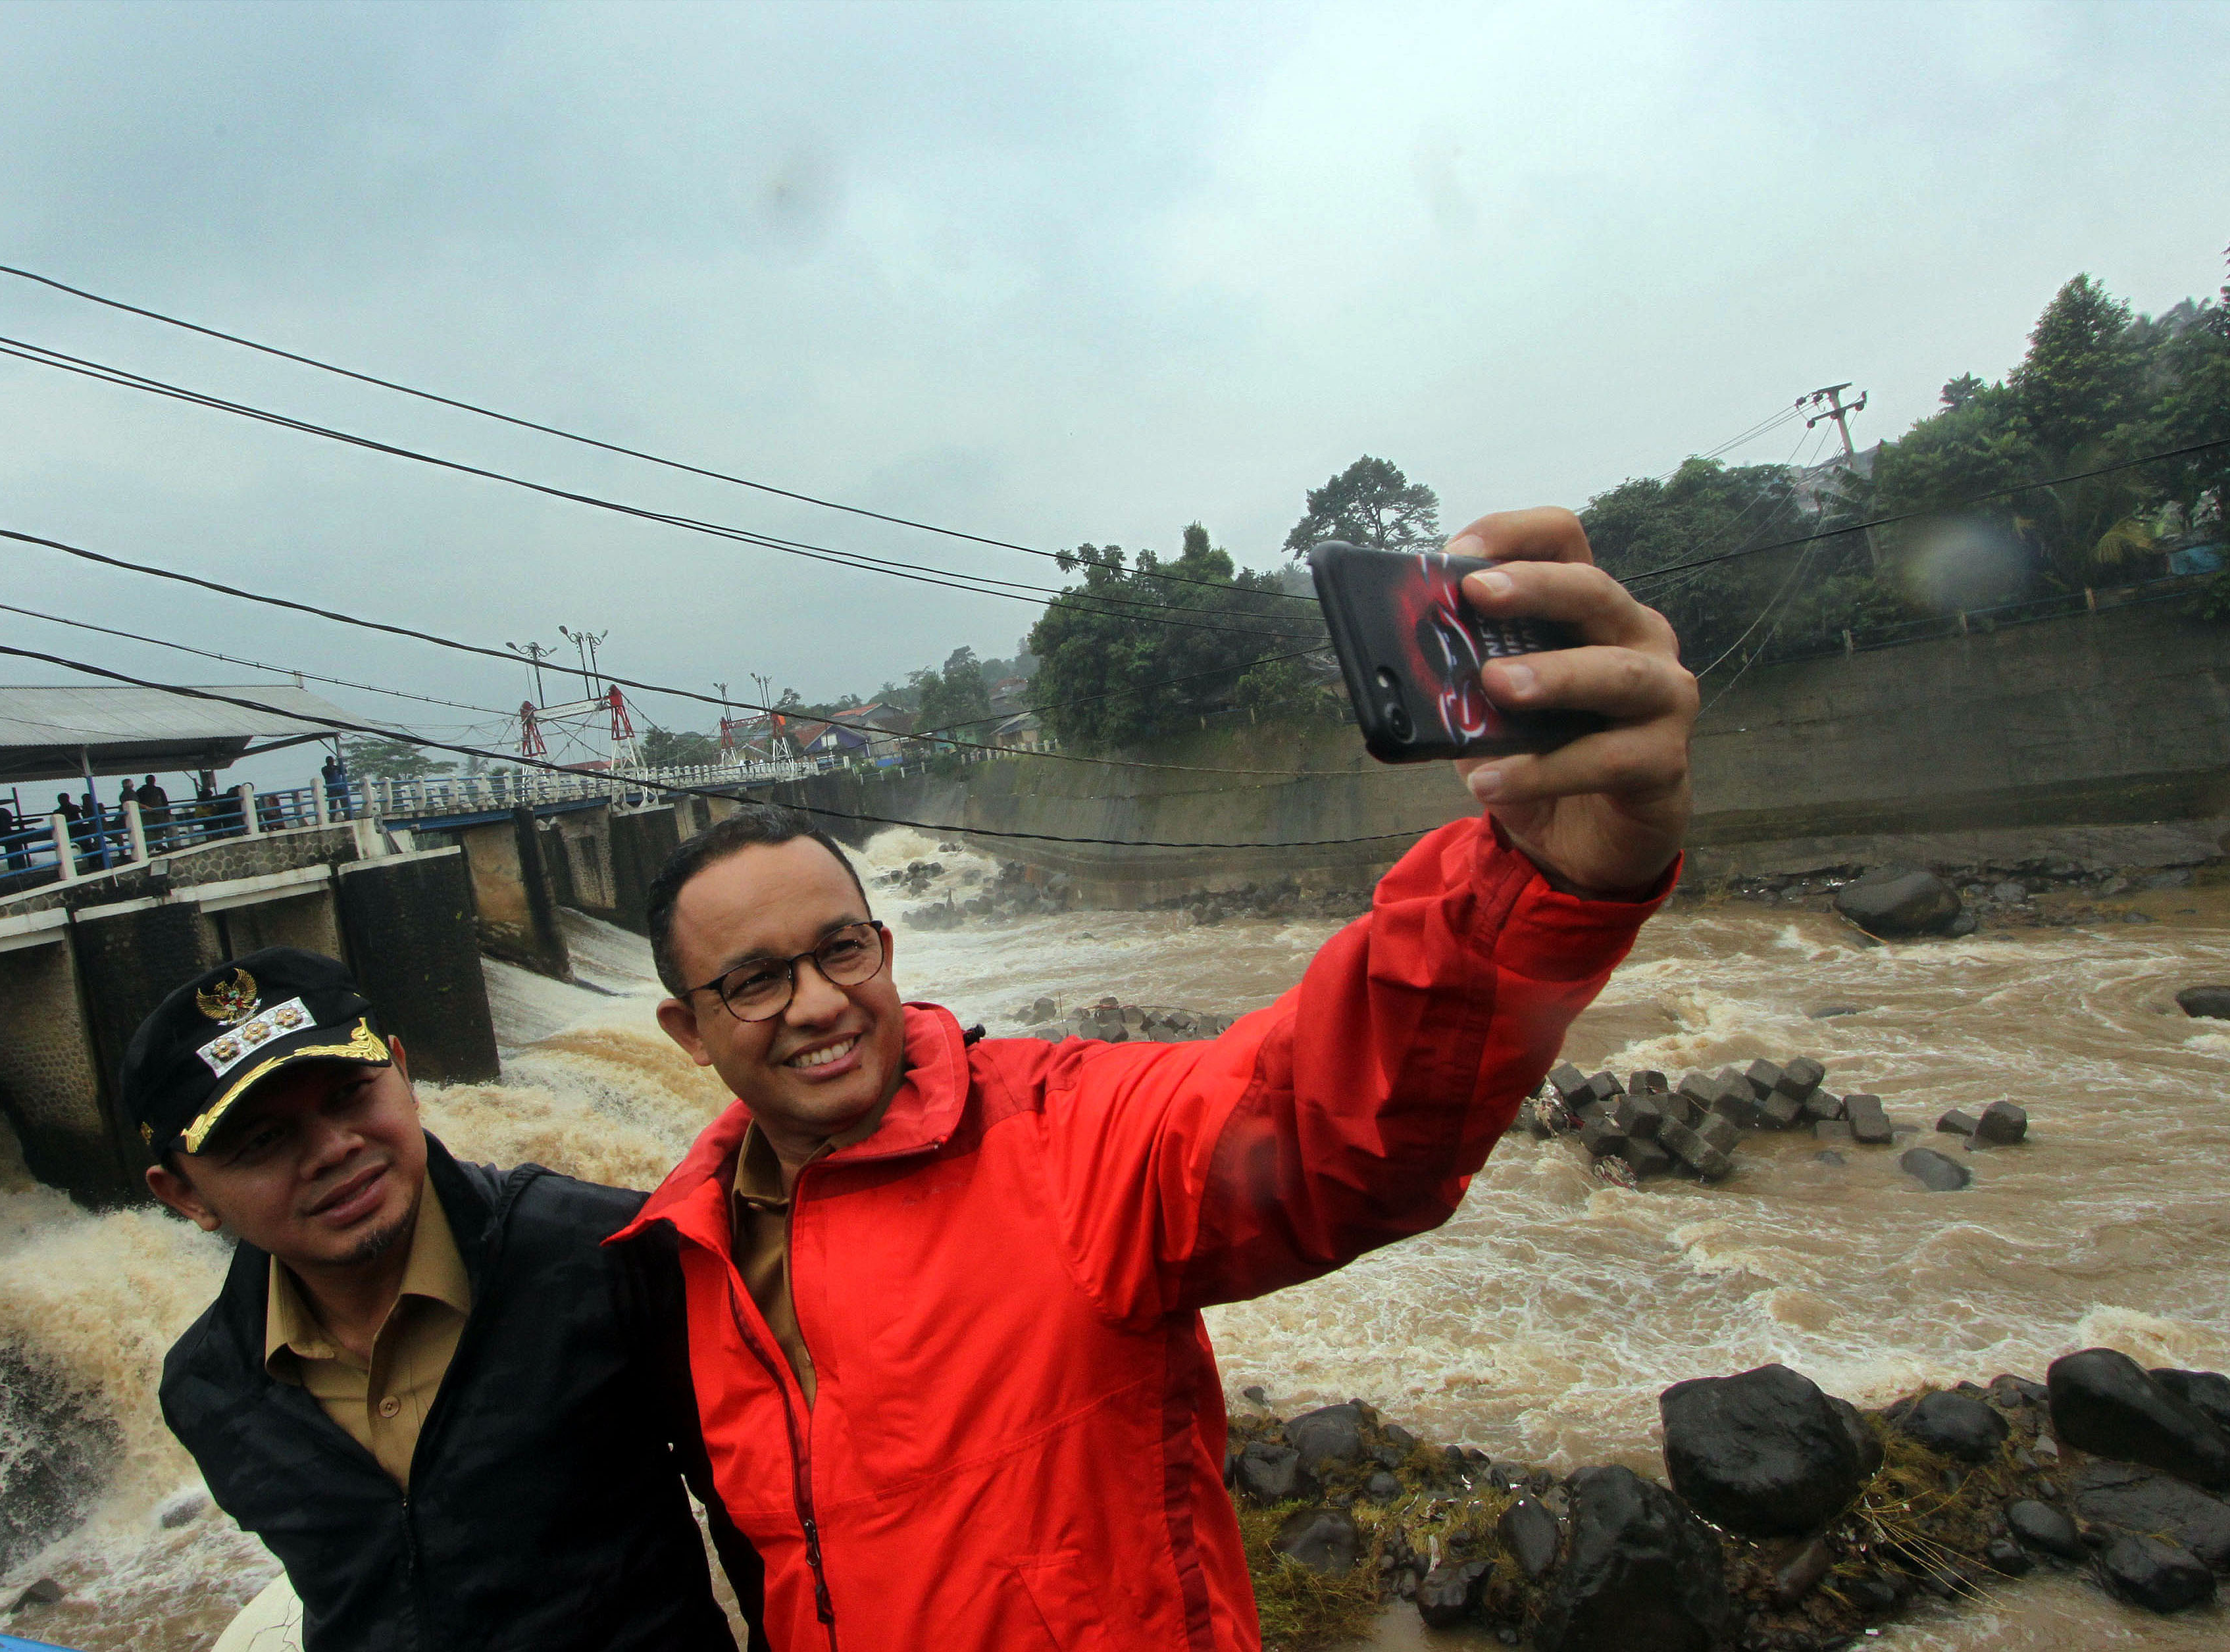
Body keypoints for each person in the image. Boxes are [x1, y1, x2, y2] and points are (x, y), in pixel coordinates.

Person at [622, 509, 1698, 1650]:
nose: (821, 1004)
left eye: (842, 950)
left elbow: (1329, 1118)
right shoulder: (675, 1266)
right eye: (755, 981)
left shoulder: (1063, 1138)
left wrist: (1536, 876)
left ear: (882, 951)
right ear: (687, 1031)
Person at [127, 947, 757, 1652]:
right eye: (263, 1141)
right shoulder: (209, 1388)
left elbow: (763, 1521)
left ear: (402, 1070)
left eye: (348, 1095)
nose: (334, 1148)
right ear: (183, 1195)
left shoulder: (608, 1255)